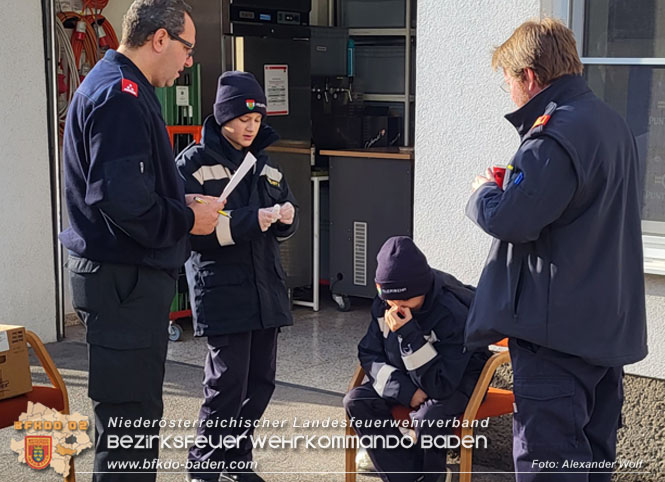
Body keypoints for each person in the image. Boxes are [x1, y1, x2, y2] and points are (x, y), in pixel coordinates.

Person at [465, 18, 648, 481]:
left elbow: (511, 220)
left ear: (529, 75)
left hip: (557, 341)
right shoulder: (611, 123)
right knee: (591, 465)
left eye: (507, 79)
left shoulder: (553, 134)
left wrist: (484, 193)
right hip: (605, 333)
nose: (507, 90)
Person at [60, 1, 223, 480]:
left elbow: (133, 186)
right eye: (187, 49)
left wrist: (179, 198)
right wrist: (187, 219)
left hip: (121, 281)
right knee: (128, 428)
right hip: (122, 284)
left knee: (134, 420)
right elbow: (122, 201)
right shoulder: (121, 96)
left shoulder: (116, 84)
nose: (188, 62)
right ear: (159, 39)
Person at [176, 71, 298, 482]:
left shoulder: (266, 164)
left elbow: (284, 211)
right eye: (243, 119)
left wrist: (285, 219)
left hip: (266, 290)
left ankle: (234, 459)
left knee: (261, 383)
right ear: (223, 116)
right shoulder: (193, 164)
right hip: (222, 292)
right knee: (226, 385)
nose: (251, 127)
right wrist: (255, 219)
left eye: (258, 120)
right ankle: (205, 464)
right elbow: (196, 232)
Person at [343, 236, 490, 482]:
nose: (397, 308)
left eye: (406, 301)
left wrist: (408, 334)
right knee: (356, 401)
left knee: (429, 417)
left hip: (458, 379)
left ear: (422, 290)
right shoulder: (385, 303)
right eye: (391, 301)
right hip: (408, 377)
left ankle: (429, 475)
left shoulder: (452, 312)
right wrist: (404, 390)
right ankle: (410, 475)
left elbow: (441, 385)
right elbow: (369, 353)